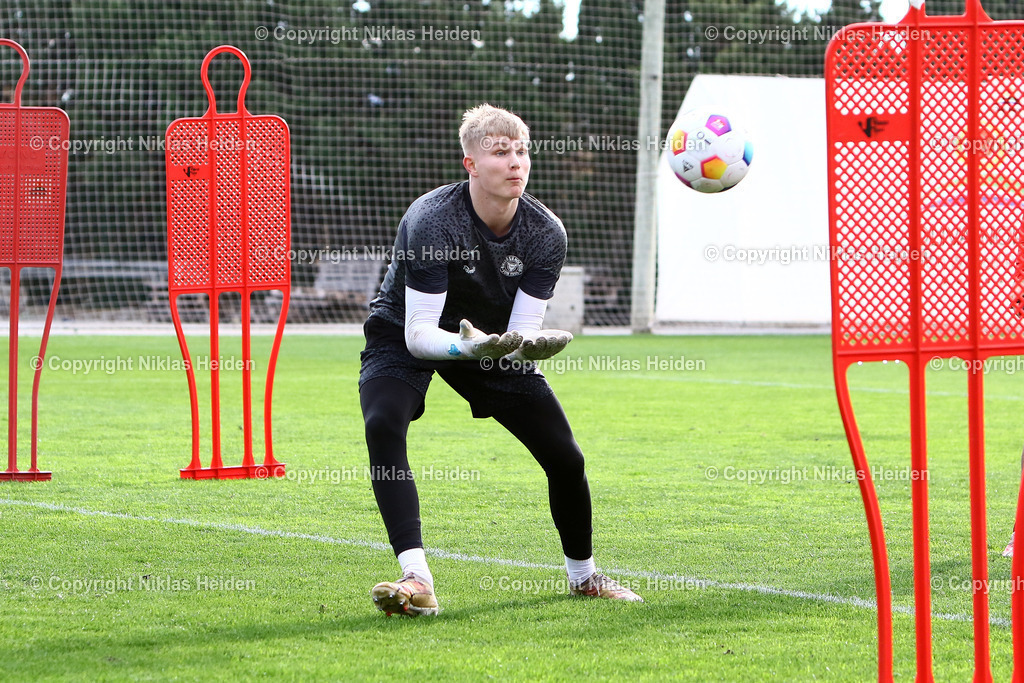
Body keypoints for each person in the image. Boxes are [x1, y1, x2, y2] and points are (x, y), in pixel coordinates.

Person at [358, 103, 642, 616]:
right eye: (499, 152)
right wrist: (466, 346)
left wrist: (534, 344)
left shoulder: (546, 233)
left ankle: (584, 576)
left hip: (491, 342)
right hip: (405, 330)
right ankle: (416, 578)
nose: (516, 162)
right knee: (383, 422)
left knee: (566, 456)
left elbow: (523, 330)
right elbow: (421, 334)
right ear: (470, 164)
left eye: (522, 151)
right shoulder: (431, 220)